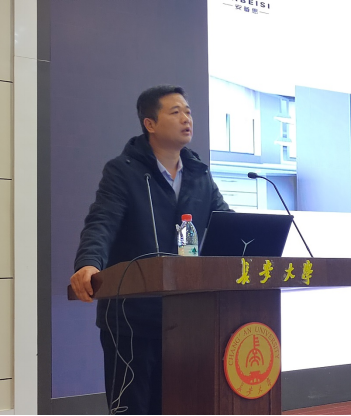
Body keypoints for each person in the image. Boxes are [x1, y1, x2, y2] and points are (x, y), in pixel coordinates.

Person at [69, 85, 231, 415]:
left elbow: (229, 225)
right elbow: (102, 222)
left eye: (188, 111)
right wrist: (88, 262)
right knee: (134, 408)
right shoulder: (124, 171)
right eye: (176, 112)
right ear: (150, 124)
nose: (186, 118)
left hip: (188, 319)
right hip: (133, 319)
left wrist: (252, 251)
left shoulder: (199, 174)